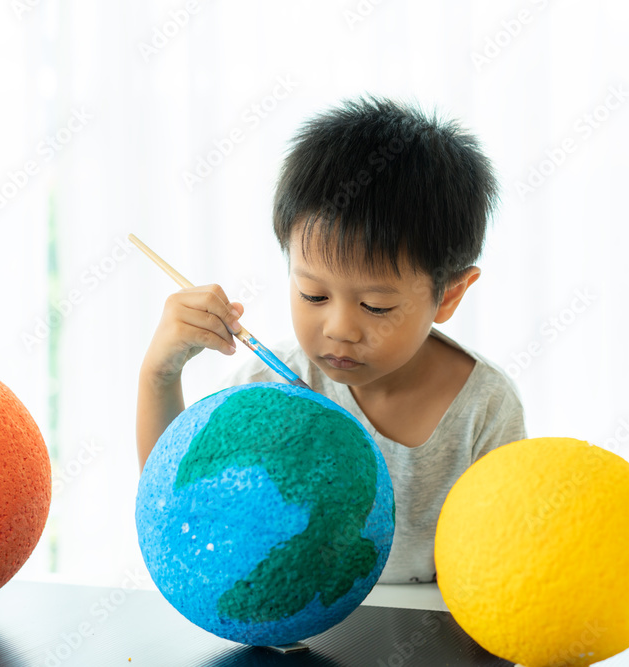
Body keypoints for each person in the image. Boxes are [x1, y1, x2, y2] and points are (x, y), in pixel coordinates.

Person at [137, 95, 526, 584]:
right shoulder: (268, 385)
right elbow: (175, 504)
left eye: (376, 306)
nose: (339, 328)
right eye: (313, 294)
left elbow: (509, 565)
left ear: (448, 294)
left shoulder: (485, 408)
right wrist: (159, 375)